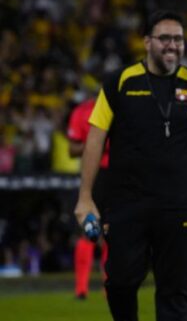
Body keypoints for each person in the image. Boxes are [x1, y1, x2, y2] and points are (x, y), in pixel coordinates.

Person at [74, 10, 187, 321]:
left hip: (180, 207)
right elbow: (95, 139)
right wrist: (85, 197)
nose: (172, 45)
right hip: (127, 205)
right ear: (147, 42)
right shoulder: (119, 82)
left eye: (178, 39)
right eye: (164, 38)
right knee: (119, 283)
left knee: (177, 292)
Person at [67, 76, 109, 300]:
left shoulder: (117, 109)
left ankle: (108, 285)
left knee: (108, 232)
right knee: (88, 230)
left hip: (115, 176)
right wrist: (96, 142)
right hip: (94, 175)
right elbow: (72, 150)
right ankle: (81, 288)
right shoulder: (83, 112)